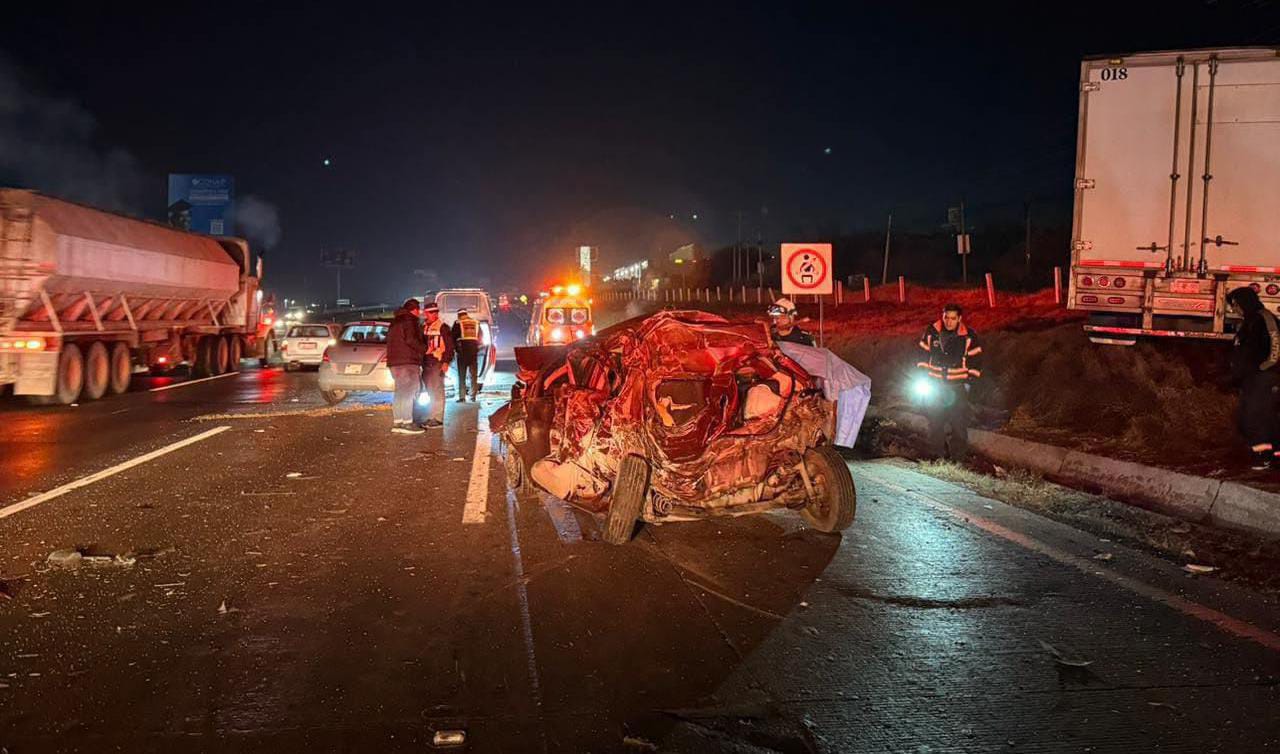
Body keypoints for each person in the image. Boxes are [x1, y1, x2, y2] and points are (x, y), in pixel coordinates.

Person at [916, 303, 982, 460]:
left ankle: (957, 459)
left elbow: (976, 361)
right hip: (935, 386)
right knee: (935, 422)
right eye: (946, 317)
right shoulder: (932, 332)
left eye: (953, 318)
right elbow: (922, 355)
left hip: (957, 388)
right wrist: (923, 376)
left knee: (958, 425)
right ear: (942, 316)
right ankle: (937, 457)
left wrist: (969, 383)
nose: (949, 321)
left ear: (959, 318)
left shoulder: (969, 336)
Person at [1227, 286, 1280, 470]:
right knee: (1259, 416)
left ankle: (1264, 456)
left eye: (1236, 305)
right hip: (1252, 378)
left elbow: (1275, 348)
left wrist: (1262, 369)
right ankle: (1272, 454)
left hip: (1264, 377)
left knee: (1256, 416)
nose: (1234, 309)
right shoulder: (1248, 322)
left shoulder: (1264, 318)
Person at [385, 298, 427, 435]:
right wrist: (424, 349)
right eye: (419, 309)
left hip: (394, 363)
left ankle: (398, 422)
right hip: (408, 362)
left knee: (399, 392)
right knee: (409, 391)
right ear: (415, 310)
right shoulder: (410, 321)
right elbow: (411, 340)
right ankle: (407, 423)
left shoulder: (395, 322)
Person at [420, 302, 455, 428]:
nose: (434, 314)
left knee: (437, 391)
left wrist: (446, 362)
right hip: (426, 363)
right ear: (426, 313)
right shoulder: (424, 327)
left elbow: (450, 347)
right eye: (431, 312)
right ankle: (431, 416)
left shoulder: (443, 327)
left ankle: (438, 419)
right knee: (430, 391)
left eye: (436, 312)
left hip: (437, 362)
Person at [452, 308, 481, 402]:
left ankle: (462, 397)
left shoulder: (458, 323)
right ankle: (473, 396)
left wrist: (455, 349)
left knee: (462, 375)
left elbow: (453, 337)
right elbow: (481, 337)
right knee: (473, 375)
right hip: (473, 353)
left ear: (459, 315)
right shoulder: (476, 323)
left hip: (462, 353)